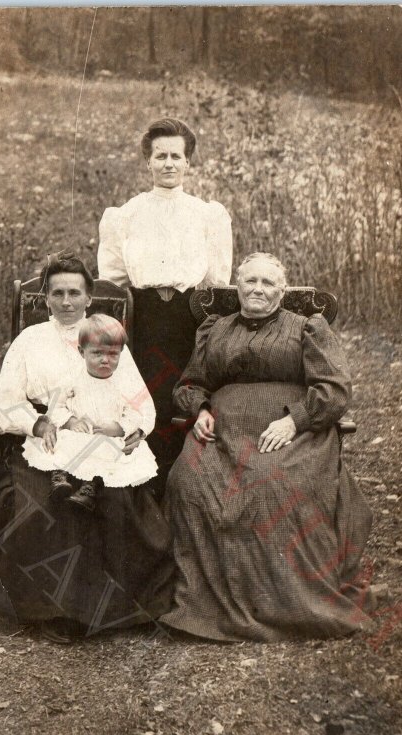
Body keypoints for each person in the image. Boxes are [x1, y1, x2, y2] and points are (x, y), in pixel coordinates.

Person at [0, 251, 174, 644]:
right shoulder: (30, 340)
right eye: (57, 293)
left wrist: (129, 429)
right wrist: (38, 422)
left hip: (101, 438)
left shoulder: (105, 338)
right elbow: (8, 402)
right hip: (45, 434)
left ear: (89, 296)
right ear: (45, 298)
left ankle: (118, 607)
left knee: (116, 499)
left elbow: (139, 401)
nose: (67, 301)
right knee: (42, 499)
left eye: (75, 292)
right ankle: (52, 608)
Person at [160, 252, 376, 642]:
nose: (258, 289)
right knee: (188, 483)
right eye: (250, 281)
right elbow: (190, 383)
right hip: (223, 431)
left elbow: (334, 389)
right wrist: (202, 409)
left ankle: (284, 603)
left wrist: (295, 419)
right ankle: (205, 602)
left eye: (268, 283)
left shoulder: (307, 327)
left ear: (282, 290)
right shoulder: (215, 328)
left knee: (272, 484)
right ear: (238, 285)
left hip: (291, 430)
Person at [98, 117, 233, 496]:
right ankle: (145, 491)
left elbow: (217, 282)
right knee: (146, 398)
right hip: (144, 319)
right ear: (148, 162)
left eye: (177, 156)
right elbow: (112, 281)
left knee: (187, 394)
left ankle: (187, 490)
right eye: (161, 156)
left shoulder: (207, 215)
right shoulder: (126, 215)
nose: (169, 163)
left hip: (190, 318)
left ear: (188, 162)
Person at [22, 314, 158, 510]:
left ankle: (89, 489)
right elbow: (56, 406)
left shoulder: (123, 383)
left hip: (104, 436)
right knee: (63, 441)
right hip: (78, 432)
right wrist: (70, 421)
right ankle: (59, 478)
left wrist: (119, 428)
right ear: (81, 352)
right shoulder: (72, 379)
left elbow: (135, 413)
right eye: (97, 353)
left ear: (122, 352)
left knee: (109, 452)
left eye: (113, 354)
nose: (105, 360)